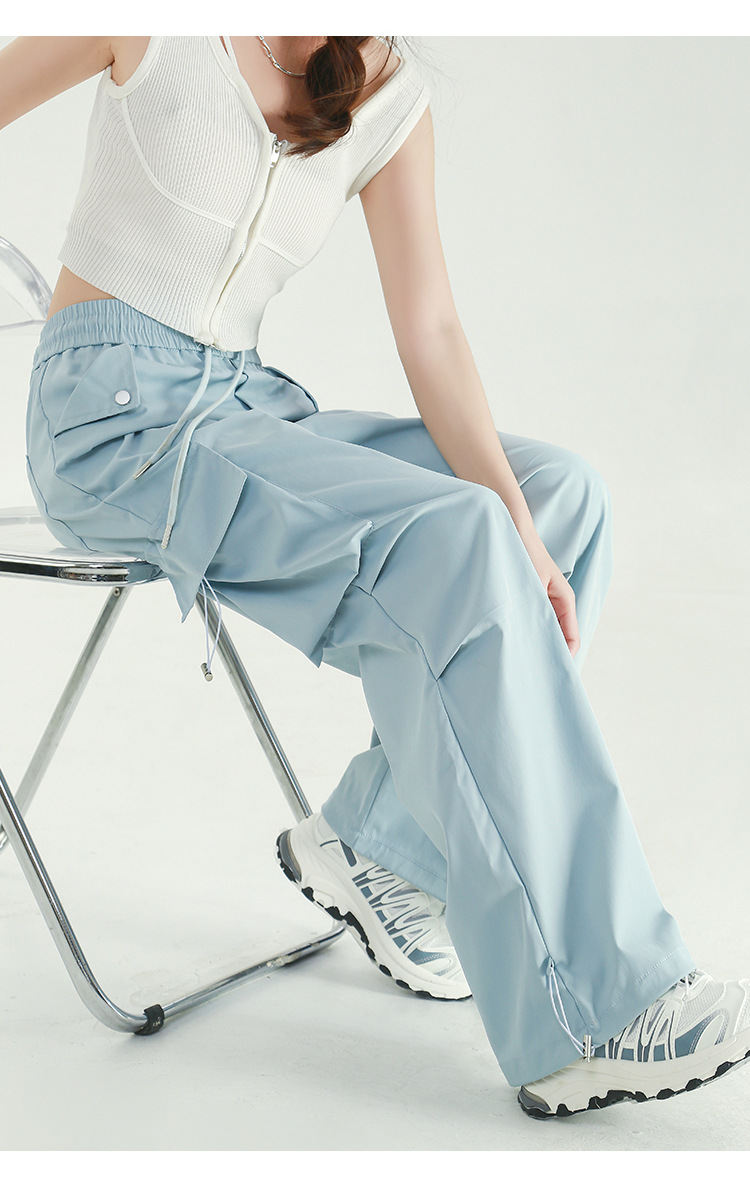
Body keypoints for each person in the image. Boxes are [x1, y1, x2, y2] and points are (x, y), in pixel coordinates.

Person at [2, 34, 748, 1120]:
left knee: (553, 501)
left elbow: (430, 325)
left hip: (243, 404)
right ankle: (594, 1008)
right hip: (109, 424)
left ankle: (388, 849)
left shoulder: (390, 91)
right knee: (461, 534)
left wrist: (520, 526)